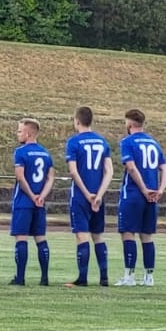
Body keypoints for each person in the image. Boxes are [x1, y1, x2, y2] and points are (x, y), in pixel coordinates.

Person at [64, 106, 113, 288]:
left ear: (77, 120)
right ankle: (104, 277)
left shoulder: (74, 142)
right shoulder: (102, 141)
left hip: (81, 196)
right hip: (99, 196)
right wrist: (99, 195)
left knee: (82, 236)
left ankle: (82, 278)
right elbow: (109, 171)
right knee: (98, 236)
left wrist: (87, 194)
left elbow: (73, 171)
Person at [115, 109, 163, 287]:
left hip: (134, 193)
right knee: (147, 235)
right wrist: (160, 190)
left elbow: (131, 167)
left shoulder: (127, 141)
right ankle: (149, 277)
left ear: (129, 123)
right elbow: (164, 168)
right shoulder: (154, 143)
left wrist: (143, 189)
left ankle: (129, 276)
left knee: (128, 233)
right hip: (153, 194)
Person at [9, 119, 54, 286]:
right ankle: (44, 278)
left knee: (21, 238)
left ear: (28, 134)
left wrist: (32, 195)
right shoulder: (46, 154)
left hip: (24, 201)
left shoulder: (20, 152)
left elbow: (20, 177)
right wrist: (42, 196)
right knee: (40, 238)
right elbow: (50, 178)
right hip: (40, 203)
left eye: (20, 131)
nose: (17, 134)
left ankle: (20, 277)